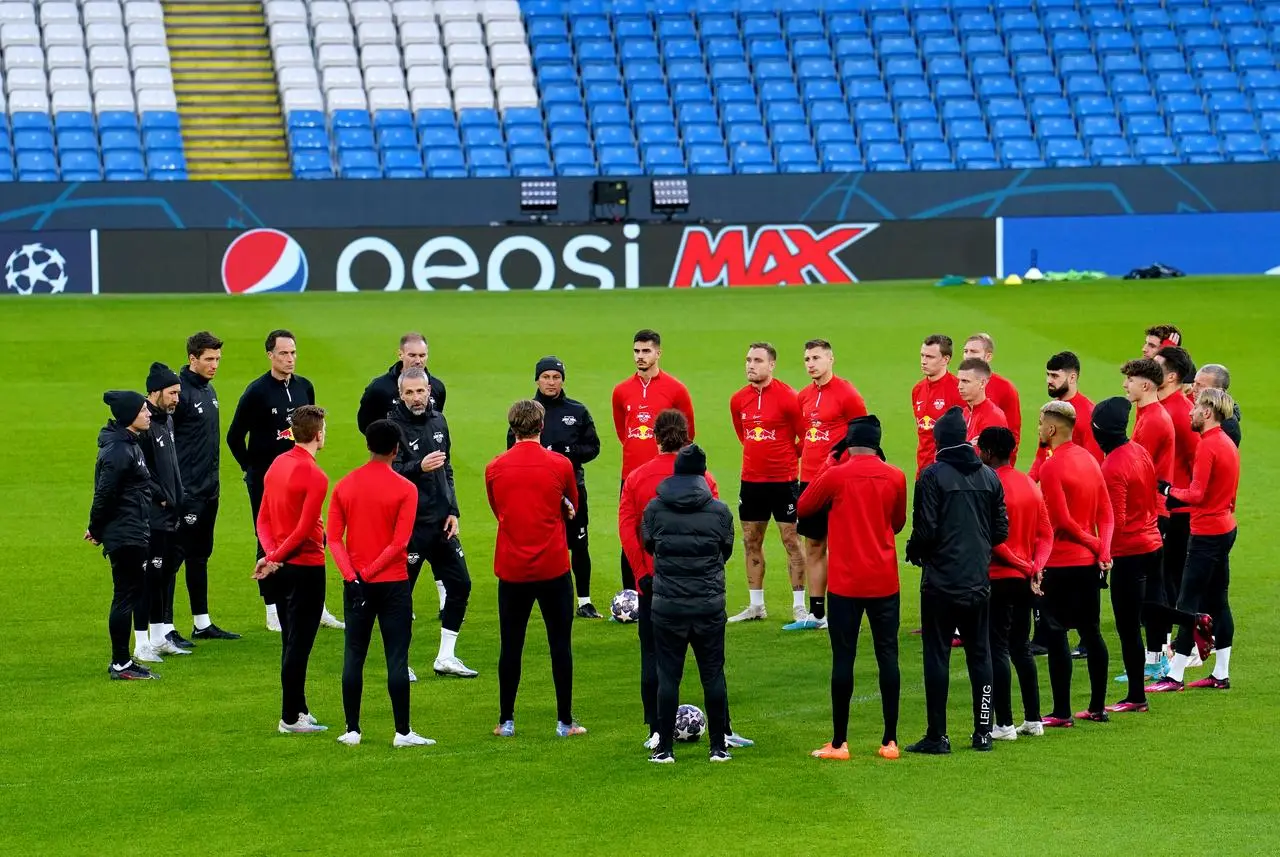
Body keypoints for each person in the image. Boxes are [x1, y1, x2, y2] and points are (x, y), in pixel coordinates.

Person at [619, 409, 752, 751]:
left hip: (658, 586)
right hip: (704, 590)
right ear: (687, 436)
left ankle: (656, 731)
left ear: (655, 436)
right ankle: (723, 732)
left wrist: (642, 573)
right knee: (712, 666)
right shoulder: (704, 479)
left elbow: (628, 531)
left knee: (655, 659)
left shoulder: (637, 478)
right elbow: (719, 539)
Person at [797, 416, 906, 761]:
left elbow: (804, 506)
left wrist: (829, 461)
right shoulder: (896, 476)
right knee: (888, 656)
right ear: (877, 443)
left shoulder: (836, 475)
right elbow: (898, 522)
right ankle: (890, 741)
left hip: (845, 583)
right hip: (884, 580)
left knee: (843, 659)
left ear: (849, 443)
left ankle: (839, 742)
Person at [904, 407, 1007, 754]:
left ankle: (938, 734)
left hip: (940, 584)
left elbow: (926, 529)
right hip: (978, 582)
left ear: (938, 442)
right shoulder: (990, 477)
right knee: (981, 655)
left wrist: (915, 550)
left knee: (937, 655)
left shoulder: (932, 476)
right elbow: (1000, 530)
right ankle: (983, 732)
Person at [328, 420, 433, 748]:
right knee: (397, 657)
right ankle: (403, 732)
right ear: (396, 449)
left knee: (354, 654)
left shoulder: (344, 485)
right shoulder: (406, 488)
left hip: (356, 584)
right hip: (393, 584)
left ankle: (352, 730)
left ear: (369, 446)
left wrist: (352, 576)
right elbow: (400, 544)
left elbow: (333, 538)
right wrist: (370, 573)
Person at [227, 330, 341, 632]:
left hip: (302, 477)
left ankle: (316, 607)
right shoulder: (257, 392)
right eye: (283, 354)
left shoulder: (305, 387)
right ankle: (273, 610)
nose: (289, 359)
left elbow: (311, 426)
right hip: (269, 479)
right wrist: (252, 470)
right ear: (270, 355)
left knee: (312, 534)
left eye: (293, 353)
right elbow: (234, 436)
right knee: (268, 538)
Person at [485, 399, 586, 738]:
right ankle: (564, 721)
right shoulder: (560, 464)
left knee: (511, 645)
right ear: (542, 426)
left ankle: (506, 720)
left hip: (512, 569)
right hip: (553, 567)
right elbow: (572, 504)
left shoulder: (495, 467)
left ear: (512, 428)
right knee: (560, 644)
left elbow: (497, 507)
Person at [642, 444, 735, 764]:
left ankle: (664, 748)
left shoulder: (655, 508)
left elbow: (649, 545)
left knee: (668, 676)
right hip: (708, 606)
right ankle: (718, 747)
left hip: (668, 606)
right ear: (702, 474)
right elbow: (726, 551)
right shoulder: (720, 511)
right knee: (713, 675)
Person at [1148, 388, 1240, 693]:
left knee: (1187, 603)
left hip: (1207, 535)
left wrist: (1167, 491)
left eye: (1195, 407)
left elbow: (1197, 495)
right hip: (1226, 527)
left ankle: (1174, 677)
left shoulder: (1208, 446)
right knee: (1218, 600)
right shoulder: (1228, 443)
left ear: (1208, 412)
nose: (1190, 411)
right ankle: (1221, 674)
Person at [389, 367, 476, 679]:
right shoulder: (391, 426)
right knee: (401, 597)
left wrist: (453, 510)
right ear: (400, 394)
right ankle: (399, 661)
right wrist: (418, 467)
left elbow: (447, 468)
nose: (416, 397)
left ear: (429, 391)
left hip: (441, 523)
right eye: (409, 392)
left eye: (420, 391)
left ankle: (446, 656)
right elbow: (387, 473)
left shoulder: (439, 420)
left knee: (461, 584)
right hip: (409, 526)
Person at [1036, 401, 1115, 727]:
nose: (1039, 429)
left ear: (1052, 428)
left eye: (1041, 423)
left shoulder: (1051, 468)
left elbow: (1063, 521)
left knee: (1055, 634)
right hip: (1087, 566)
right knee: (1091, 632)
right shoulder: (1090, 460)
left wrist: (1094, 543)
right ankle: (1098, 707)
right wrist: (1104, 550)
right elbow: (1106, 513)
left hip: (1061, 562)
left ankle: (1061, 712)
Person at [252, 405, 330, 734]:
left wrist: (271, 555)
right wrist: (275, 557)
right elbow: (303, 529)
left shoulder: (277, 464)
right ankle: (289, 718)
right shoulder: (316, 476)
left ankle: (299, 708)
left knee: (290, 639)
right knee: (299, 645)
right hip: (307, 568)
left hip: (281, 568)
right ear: (318, 434)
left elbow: (262, 519)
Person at [507, 356, 603, 619]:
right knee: (537, 543)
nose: (551, 382)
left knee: (579, 543)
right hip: (536, 492)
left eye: (556, 377)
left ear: (563, 380)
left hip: (572, 488)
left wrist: (567, 452)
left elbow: (593, 447)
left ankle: (584, 601)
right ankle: (531, 595)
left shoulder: (577, 411)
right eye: (546, 377)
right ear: (537, 379)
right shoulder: (525, 412)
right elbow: (510, 449)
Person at [976, 427, 1051, 740]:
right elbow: (1046, 534)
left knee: (996, 650)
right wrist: (1036, 567)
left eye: (980, 449)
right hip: (1023, 581)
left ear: (990, 453)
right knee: (1021, 647)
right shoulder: (1029, 484)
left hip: (997, 577)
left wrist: (1023, 565)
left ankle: (1004, 724)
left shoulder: (989, 485)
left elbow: (993, 540)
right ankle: (1034, 720)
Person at [1091, 397, 1162, 713]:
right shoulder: (1139, 451)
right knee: (1150, 610)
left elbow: (1115, 521)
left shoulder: (1112, 465)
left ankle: (1136, 696)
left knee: (1129, 626)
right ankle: (1195, 621)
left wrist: (1103, 554)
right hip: (1152, 543)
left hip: (1130, 551)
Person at [790, 338, 867, 632]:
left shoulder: (847, 394)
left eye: (816, 358)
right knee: (813, 544)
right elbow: (804, 434)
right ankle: (818, 612)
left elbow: (863, 433)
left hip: (838, 481)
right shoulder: (804, 396)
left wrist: (846, 467)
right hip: (809, 480)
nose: (811, 364)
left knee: (842, 546)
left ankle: (847, 608)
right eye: (807, 359)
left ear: (831, 359)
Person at [727, 342, 806, 624]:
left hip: (783, 481)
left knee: (791, 541)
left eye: (757, 360)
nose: (750, 365)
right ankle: (756, 605)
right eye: (748, 359)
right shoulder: (738, 400)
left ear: (771, 364)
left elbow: (806, 436)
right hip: (751, 481)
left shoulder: (789, 398)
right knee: (751, 541)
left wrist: (785, 455)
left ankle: (799, 606)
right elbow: (743, 435)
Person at [611, 329, 695, 590]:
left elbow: (688, 433)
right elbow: (622, 433)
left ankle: (670, 588)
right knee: (630, 534)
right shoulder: (621, 391)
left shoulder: (676, 389)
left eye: (646, 351)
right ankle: (631, 594)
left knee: (669, 533)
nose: (640, 356)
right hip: (631, 476)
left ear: (658, 353)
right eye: (636, 351)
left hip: (666, 477)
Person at [170, 331, 239, 641]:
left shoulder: (208, 390)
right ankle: (165, 628)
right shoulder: (179, 394)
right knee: (172, 559)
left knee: (200, 556)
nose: (215, 365)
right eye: (209, 359)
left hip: (209, 490)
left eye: (218, 359)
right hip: (187, 493)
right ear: (192, 359)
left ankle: (202, 623)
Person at [87, 391, 157, 680]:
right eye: (143, 411)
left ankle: (123, 661)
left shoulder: (128, 443)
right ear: (130, 416)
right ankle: (120, 664)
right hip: (126, 533)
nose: (149, 414)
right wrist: (95, 527)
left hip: (131, 529)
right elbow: (105, 493)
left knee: (130, 594)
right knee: (126, 596)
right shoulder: (119, 451)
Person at [1146, 345, 1200, 678]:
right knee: (1163, 578)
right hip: (1163, 503)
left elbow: (1198, 462)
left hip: (1178, 507)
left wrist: (1187, 499)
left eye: (1156, 366)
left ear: (1172, 376)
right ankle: (1165, 648)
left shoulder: (1180, 412)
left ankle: (1188, 646)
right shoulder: (1160, 407)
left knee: (1173, 578)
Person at [135, 363, 190, 663]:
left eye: (179, 393)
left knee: (162, 576)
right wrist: (164, 499)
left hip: (170, 514)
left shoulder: (166, 421)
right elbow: (141, 471)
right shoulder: (143, 423)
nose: (176, 399)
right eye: (172, 393)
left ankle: (158, 638)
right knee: (147, 579)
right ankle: (141, 642)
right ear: (154, 392)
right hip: (152, 517)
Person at [1029, 352, 1103, 481]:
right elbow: (1042, 455)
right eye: (1048, 374)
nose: (1048, 380)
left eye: (1054, 376)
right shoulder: (1050, 410)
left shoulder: (1089, 414)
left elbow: (1094, 464)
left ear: (1072, 378)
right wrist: (1028, 484)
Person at [356, 331, 446, 433]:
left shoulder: (437, 387)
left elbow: (436, 423)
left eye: (422, 355)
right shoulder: (378, 388)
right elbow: (365, 425)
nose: (418, 361)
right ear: (400, 355)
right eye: (412, 355)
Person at [911, 334, 964, 479]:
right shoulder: (917, 390)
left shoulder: (958, 390)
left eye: (930, 357)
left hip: (948, 475)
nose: (923, 361)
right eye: (922, 355)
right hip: (922, 473)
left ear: (945, 359)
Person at [963, 334, 1022, 463]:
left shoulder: (1005, 388)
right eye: (965, 351)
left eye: (974, 351)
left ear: (988, 356)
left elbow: (1013, 435)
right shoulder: (960, 386)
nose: (968, 355)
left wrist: (1005, 469)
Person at [957, 357, 1009, 444]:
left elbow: (993, 456)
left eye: (965, 381)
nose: (959, 386)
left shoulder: (993, 417)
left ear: (982, 383)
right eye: (959, 380)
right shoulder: (965, 413)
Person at [1192, 363, 1241, 447]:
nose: (1193, 389)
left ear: (1218, 391)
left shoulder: (1228, 426)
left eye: (1200, 385)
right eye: (1194, 383)